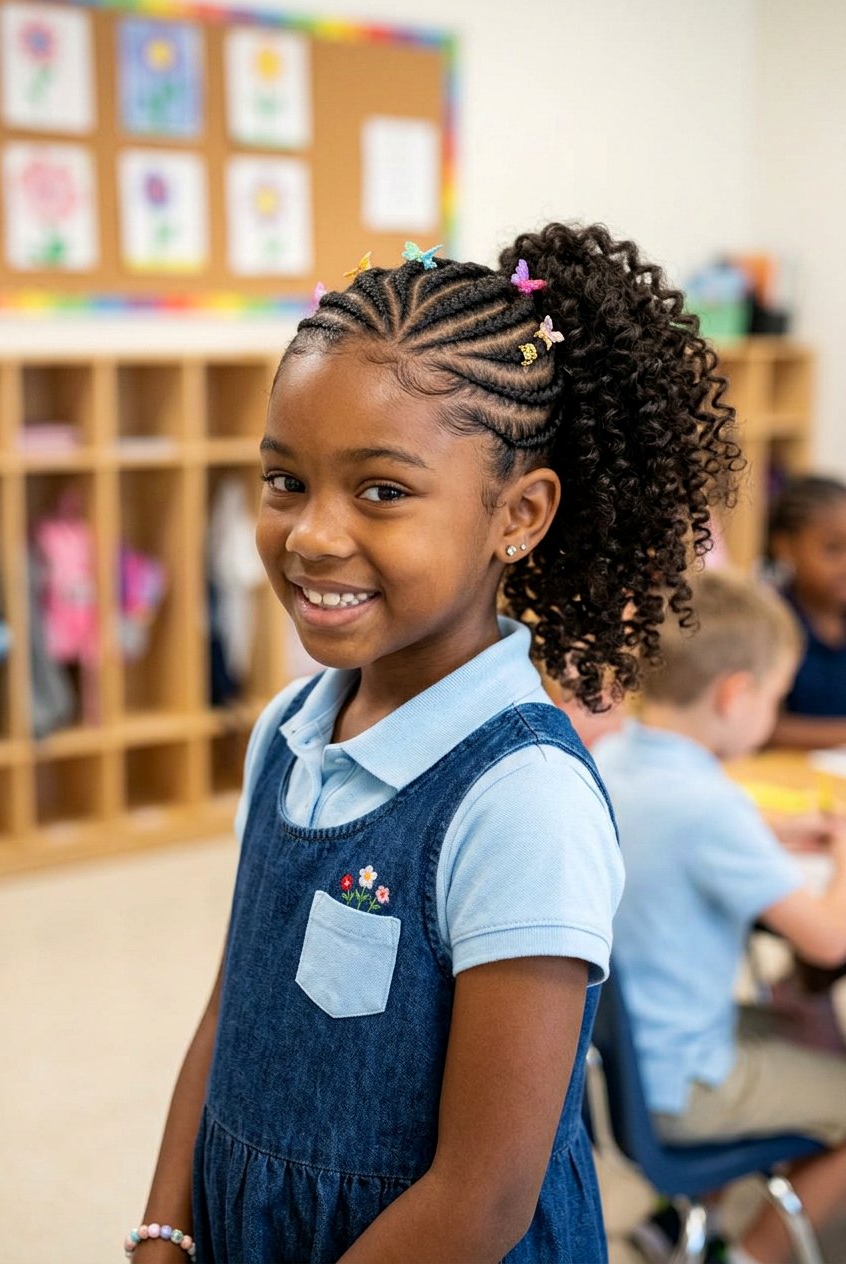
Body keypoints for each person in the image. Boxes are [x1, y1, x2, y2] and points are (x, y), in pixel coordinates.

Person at [127, 222, 740, 1264]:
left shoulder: (522, 800)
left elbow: (482, 1199)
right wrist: (164, 1230)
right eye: (285, 480)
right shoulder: (288, 731)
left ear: (518, 514)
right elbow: (233, 1006)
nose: (311, 534)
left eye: (381, 490)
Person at [594, 569, 846, 1264]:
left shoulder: (616, 756)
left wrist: (778, 832)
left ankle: (688, 1216)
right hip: (683, 1083)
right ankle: (744, 1255)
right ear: (736, 695)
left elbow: (688, 833)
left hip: (626, 1062)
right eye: (776, 696)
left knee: (803, 1020)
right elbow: (830, 940)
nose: (773, 711)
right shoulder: (711, 806)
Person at [767, 473, 846, 749]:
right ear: (785, 547)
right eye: (832, 549)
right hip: (782, 770)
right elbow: (766, 727)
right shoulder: (770, 620)